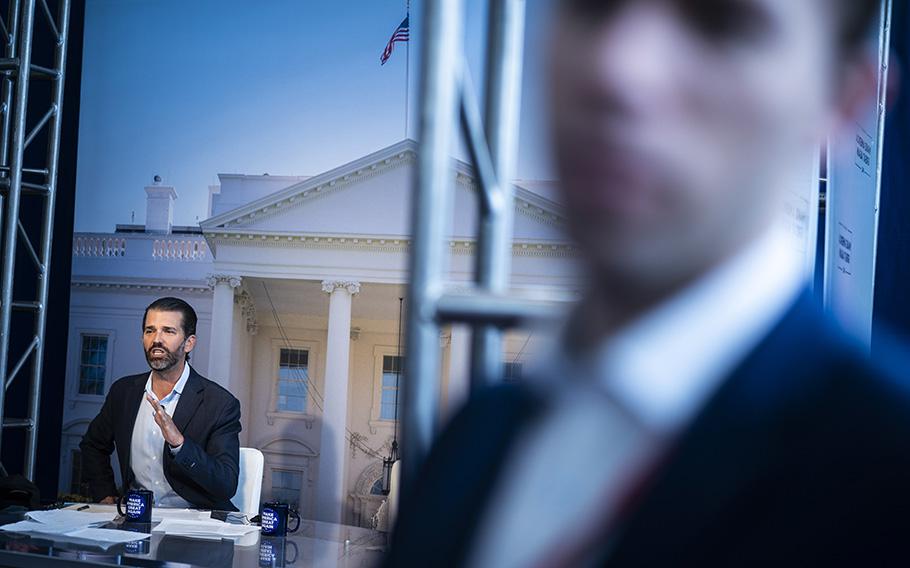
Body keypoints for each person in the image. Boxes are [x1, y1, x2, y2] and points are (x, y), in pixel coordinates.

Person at [386, 0, 909, 566]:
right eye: (593, 7)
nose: (617, 68)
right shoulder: (472, 442)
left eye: (720, 23)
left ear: (842, 99)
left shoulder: (888, 474)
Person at [80, 297, 242, 511]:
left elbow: (225, 484)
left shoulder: (220, 404)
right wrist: (105, 494)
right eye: (150, 331)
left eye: (168, 331)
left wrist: (180, 445)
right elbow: (93, 446)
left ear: (189, 343)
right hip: (136, 518)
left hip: (195, 523)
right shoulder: (123, 392)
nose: (157, 339)